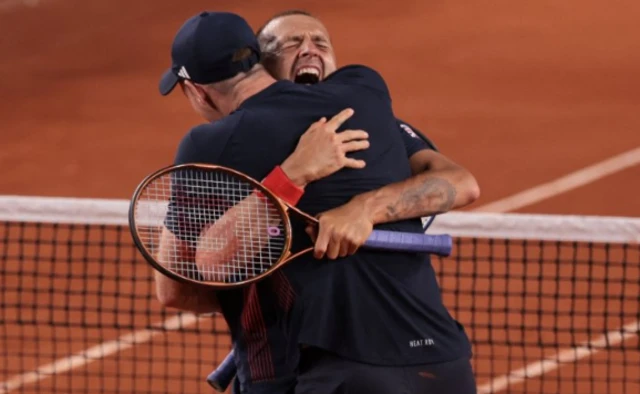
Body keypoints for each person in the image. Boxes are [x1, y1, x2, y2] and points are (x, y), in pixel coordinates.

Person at [156, 10, 479, 394]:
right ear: (260, 61)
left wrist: (360, 208)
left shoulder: (209, 144)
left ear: (196, 89)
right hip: (441, 362)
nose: (309, 49)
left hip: (322, 371)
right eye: (292, 44)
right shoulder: (365, 97)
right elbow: (461, 183)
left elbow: (178, 286)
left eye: (319, 42)